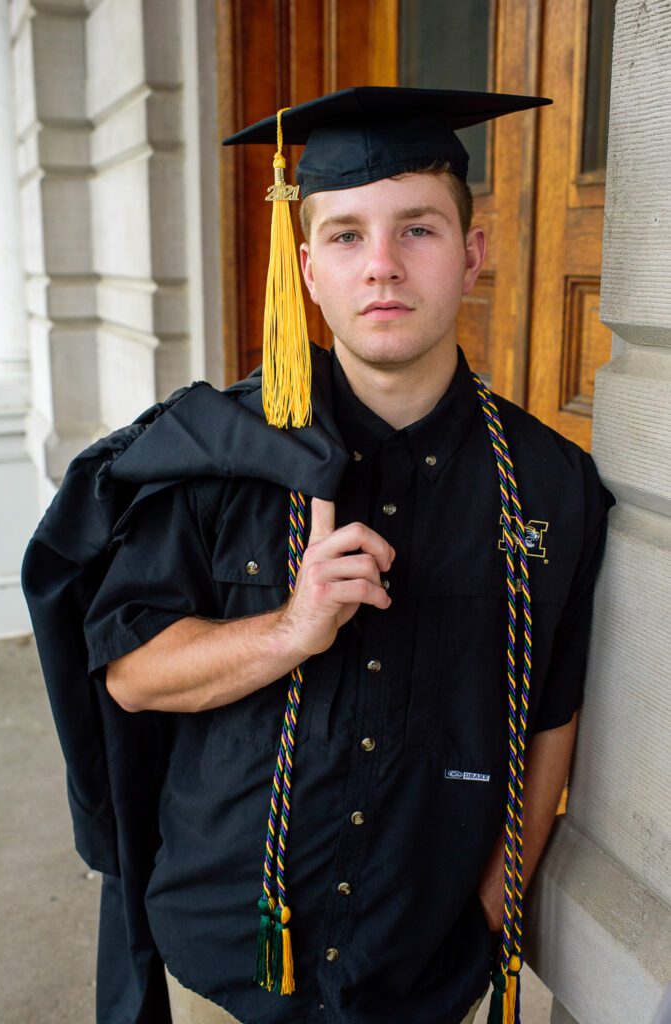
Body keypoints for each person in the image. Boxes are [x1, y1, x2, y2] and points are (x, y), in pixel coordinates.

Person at [79, 87, 614, 1024]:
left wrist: (499, 902)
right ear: (306, 270)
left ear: (471, 253)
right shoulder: (218, 453)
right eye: (345, 236)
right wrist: (290, 629)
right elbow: (131, 676)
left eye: (417, 230)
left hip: (426, 963)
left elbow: (551, 717)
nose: (382, 268)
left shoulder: (553, 486)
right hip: (226, 951)